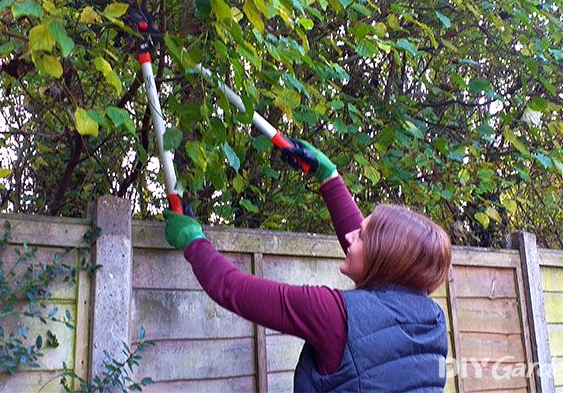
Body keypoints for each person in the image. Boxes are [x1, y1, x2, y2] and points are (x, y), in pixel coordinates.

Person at [163, 140, 452, 392]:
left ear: (384, 257)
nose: (350, 236)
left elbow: (233, 289)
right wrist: (329, 176)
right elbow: (371, 253)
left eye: (362, 235)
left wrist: (193, 242)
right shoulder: (432, 320)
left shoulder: (334, 316)